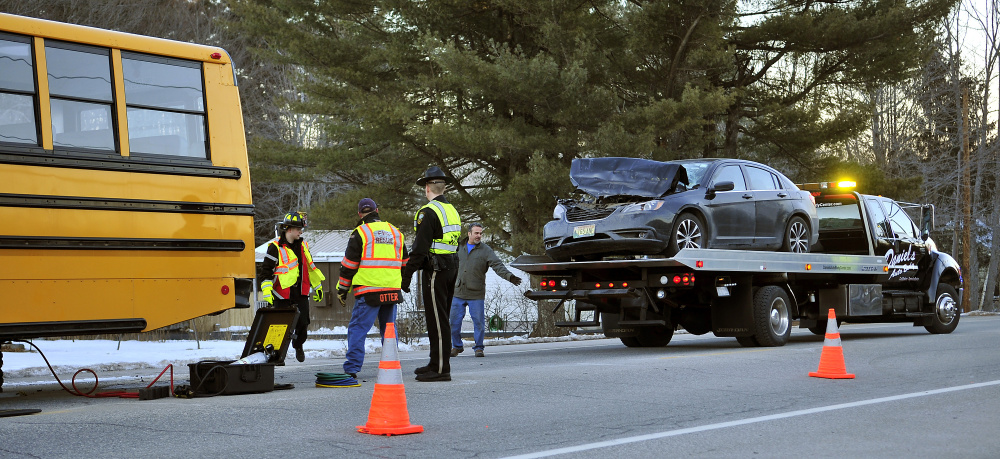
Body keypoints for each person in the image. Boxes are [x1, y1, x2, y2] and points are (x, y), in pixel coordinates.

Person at [401, 166, 461, 382]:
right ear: (443, 187)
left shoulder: (428, 212)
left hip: (435, 271)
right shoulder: (452, 209)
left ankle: (442, 369)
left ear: (427, 188)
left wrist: (406, 275)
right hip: (450, 268)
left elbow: (419, 249)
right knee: (440, 318)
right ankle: (435, 362)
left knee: (437, 321)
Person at [337, 198, 409, 379]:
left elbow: (349, 265)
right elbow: (406, 263)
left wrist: (342, 289)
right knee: (389, 329)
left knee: (358, 329)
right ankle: (392, 365)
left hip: (369, 291)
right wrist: (403, 284)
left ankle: (352, 368)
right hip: (392, 291)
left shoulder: (360, 232)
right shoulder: (395, 232)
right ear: (377, 210)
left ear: (360, 214)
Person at [258, 212, 326, 362]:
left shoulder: (304, 246)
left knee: (303, 323)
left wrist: (318, 286)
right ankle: (275, 356)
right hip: (282, 294)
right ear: (289, 229)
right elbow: (265, 273)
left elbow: (310, 268)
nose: (301, 232)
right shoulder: (275, 247)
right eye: (299, 229)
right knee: (279, 328)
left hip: (301, 292)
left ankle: (298, 345)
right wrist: (268, 292)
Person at [450, 223, 522, 358]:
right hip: (457, 292)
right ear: (469, 234)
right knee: (454, 322)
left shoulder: (485, 250)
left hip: (476, 293)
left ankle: (478, 348)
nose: (479, 236)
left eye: (480, 233)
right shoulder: (457, 247)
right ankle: (456, 346)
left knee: (478, 322)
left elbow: (498, 265)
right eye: (476, 233)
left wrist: (510, 277)